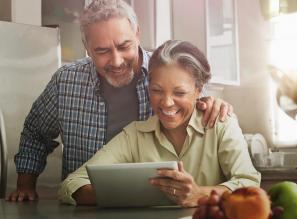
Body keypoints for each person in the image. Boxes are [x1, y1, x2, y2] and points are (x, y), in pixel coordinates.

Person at [7, 0, 232, 202]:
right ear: (87, 47)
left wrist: (212, 103)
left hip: (158, 205)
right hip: (86, 205)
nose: (116, 61)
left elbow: (196, 105)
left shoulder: (166, 72)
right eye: (102, 51)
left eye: (124, 46)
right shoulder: (65, 81)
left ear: (137, 34)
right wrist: (25, 187)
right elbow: (35, 133)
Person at [58, 40, 260, 207]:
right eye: (156, 90)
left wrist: (200, 194)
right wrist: (132, 196)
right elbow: (72, 184)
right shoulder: (135, 135)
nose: (167, 102)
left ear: (199, 90)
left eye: (179, 92)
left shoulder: (221, 125)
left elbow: (250, 186)